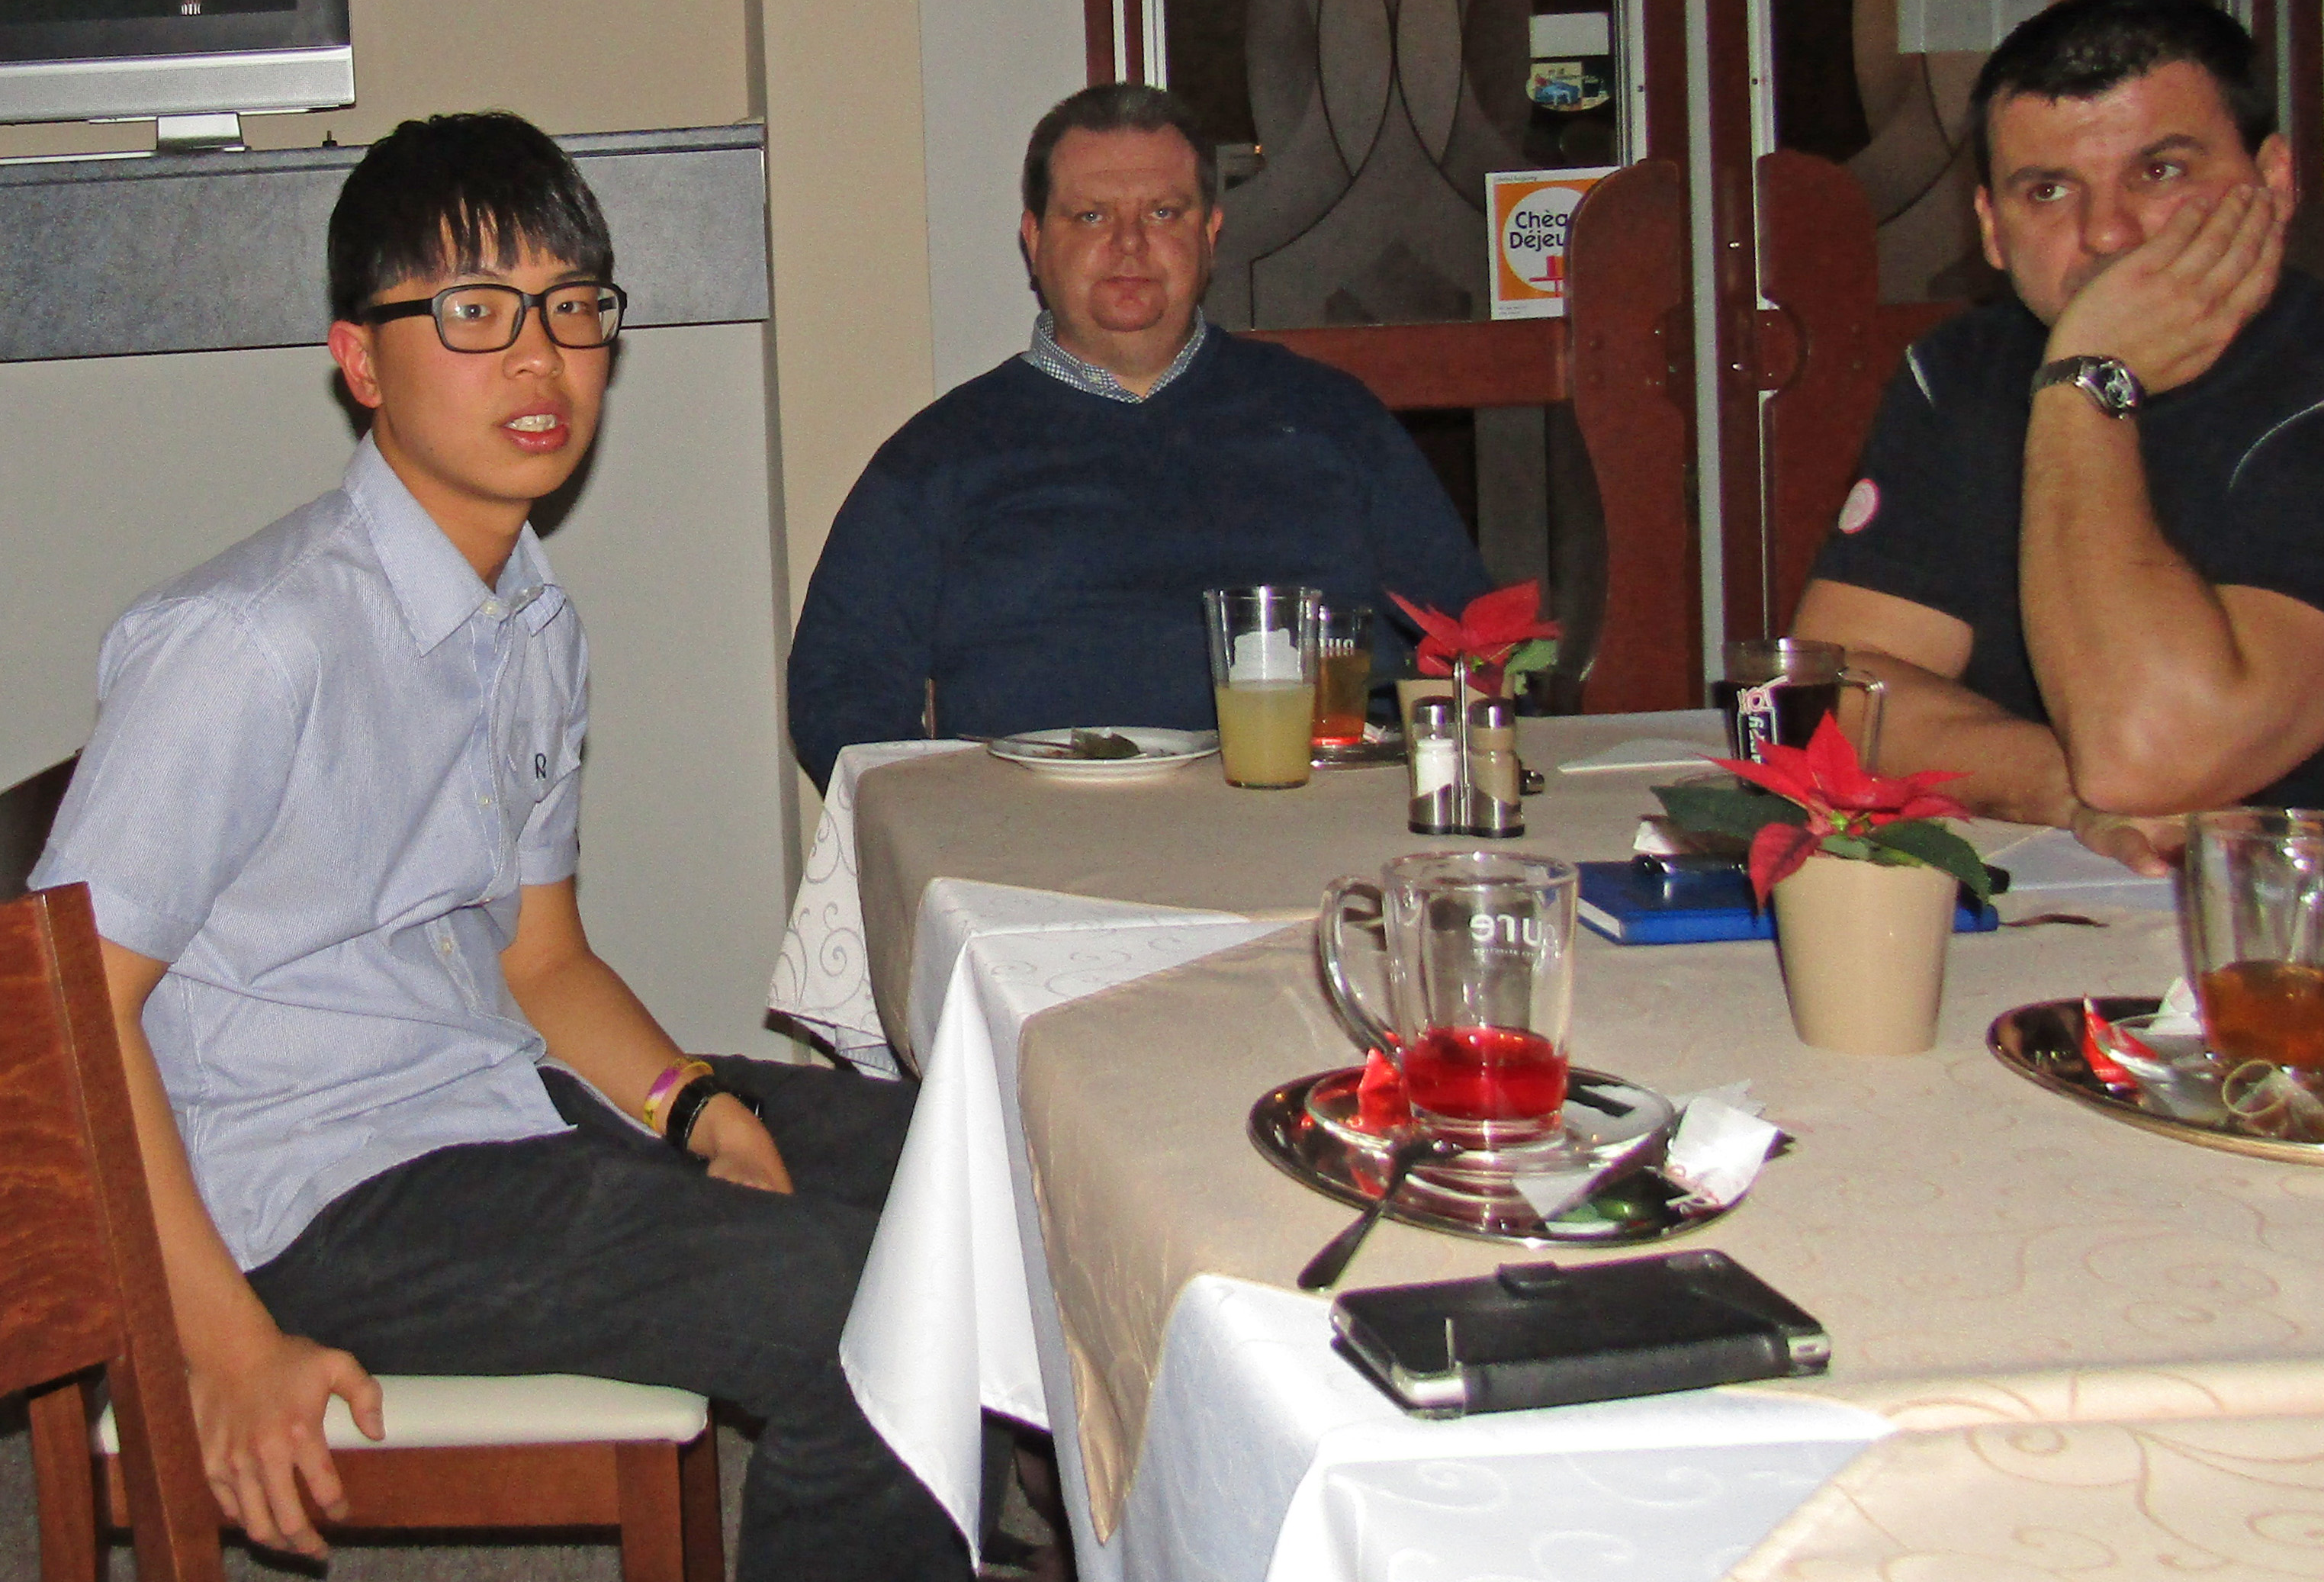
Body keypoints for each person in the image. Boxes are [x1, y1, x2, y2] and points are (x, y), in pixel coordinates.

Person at [30, 113, 972, 1578]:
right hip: (305, 1202)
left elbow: (541, 962)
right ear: (361, 360)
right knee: (868, 1311)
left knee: (959, 1157)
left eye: (572, 307)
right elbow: (65, 1007)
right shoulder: (250, 641)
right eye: (475, 313)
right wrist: (225, 1342)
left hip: (485, 1107)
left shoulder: (530, 622)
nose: (541, 360)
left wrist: (692, 1102)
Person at [1795, 0, 2324, 951]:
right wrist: (2062, 788)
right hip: (2109, 928)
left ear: (2272, 182)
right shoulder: (1961, 375)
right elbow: (1816, 695)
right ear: (1989, 228)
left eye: (2160, 170)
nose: (2107, 233)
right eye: (2047, 190)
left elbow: (2145, 756)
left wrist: (2085, 384)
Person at [786, 82, 1490, 789]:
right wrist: (943, 823)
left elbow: (1473, 644)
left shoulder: (1334, 420)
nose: (1129, 244)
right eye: (1091, 216)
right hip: (1043, 836)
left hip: (1312, 822)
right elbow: (839, 691)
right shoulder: (938, 457)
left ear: (1209, 234)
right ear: (1035, 240)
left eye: (1162, 212)